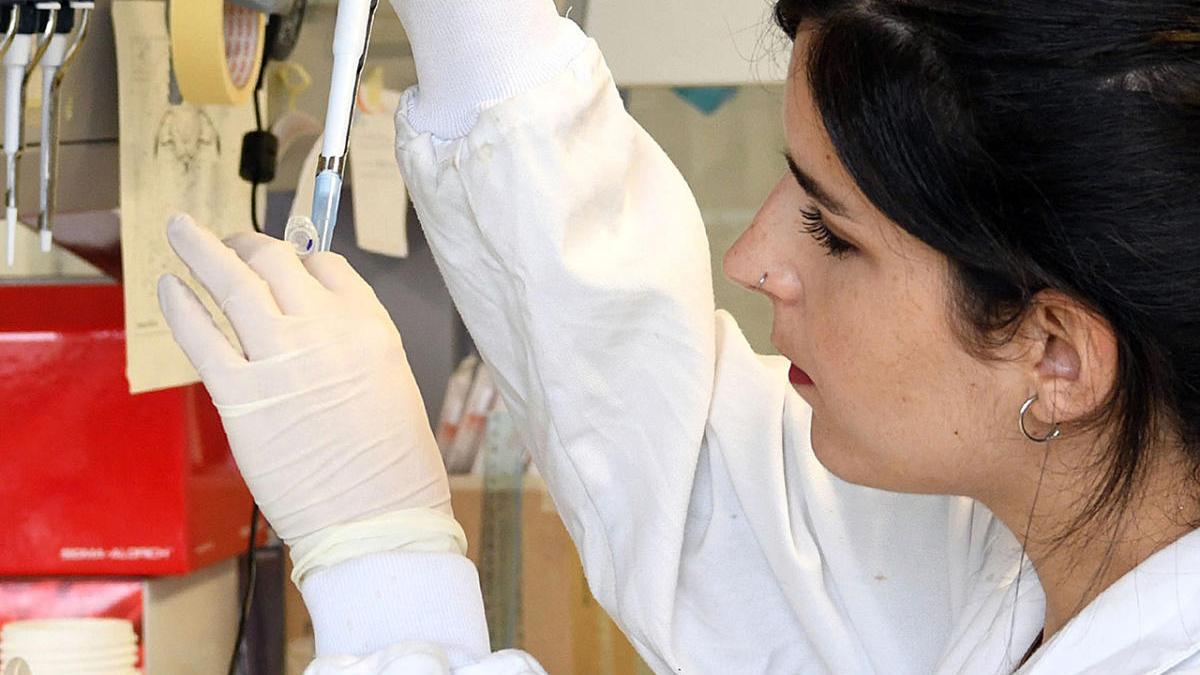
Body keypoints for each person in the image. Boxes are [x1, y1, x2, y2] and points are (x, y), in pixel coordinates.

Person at [156, 0, 1200, 672]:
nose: (753, 259)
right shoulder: (1033, 559)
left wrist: (384, 572)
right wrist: (476, 28)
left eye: (830, 231)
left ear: (1056, 356)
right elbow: (692, 471)